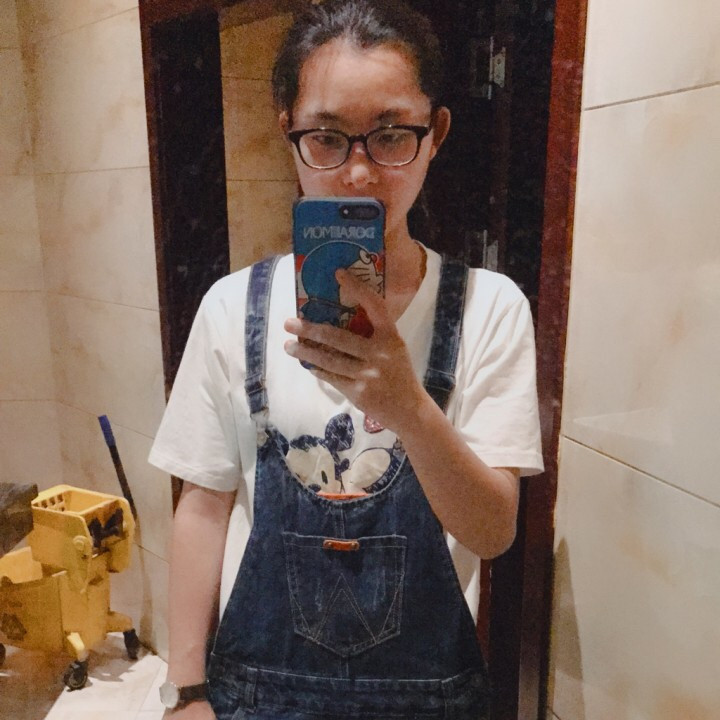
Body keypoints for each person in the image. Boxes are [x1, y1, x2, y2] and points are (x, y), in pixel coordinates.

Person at [148, 1, 543, 718]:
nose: (359, 174)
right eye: (327, 138)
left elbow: (493, 533)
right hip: (253, 699)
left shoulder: (490, 308)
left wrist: (410, 409)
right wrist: (186, 690)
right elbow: (203, 506)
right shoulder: (231, 308)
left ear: (435, 134)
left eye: (391, 135)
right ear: (289, 136)